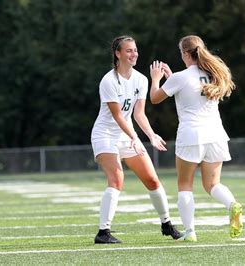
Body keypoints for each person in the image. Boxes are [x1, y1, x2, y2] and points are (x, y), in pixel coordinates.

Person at [149, 35, 243, 241]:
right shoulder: (212, 74)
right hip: (216, 135)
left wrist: (156, 78)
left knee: (185, 185)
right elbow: (188, 91)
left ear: (184, 53)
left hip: (191, 135)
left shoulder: (181, 77)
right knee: (212, 185)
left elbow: (154, 98)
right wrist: (171, 78)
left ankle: (190, 232)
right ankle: (232, 204)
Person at [91, 35, 181, 244]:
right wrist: (135, 136)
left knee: (152, 180)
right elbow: (117, 116)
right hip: (105, 135)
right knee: (117, 179)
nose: (134, 54)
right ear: (118, 54)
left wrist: (151, 135)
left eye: (135, 50)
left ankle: (166, 224)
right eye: (129, 50)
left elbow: (138, 114)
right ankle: (103, 233)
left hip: (127, 134)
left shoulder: (141, 79)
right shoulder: (109, 80)